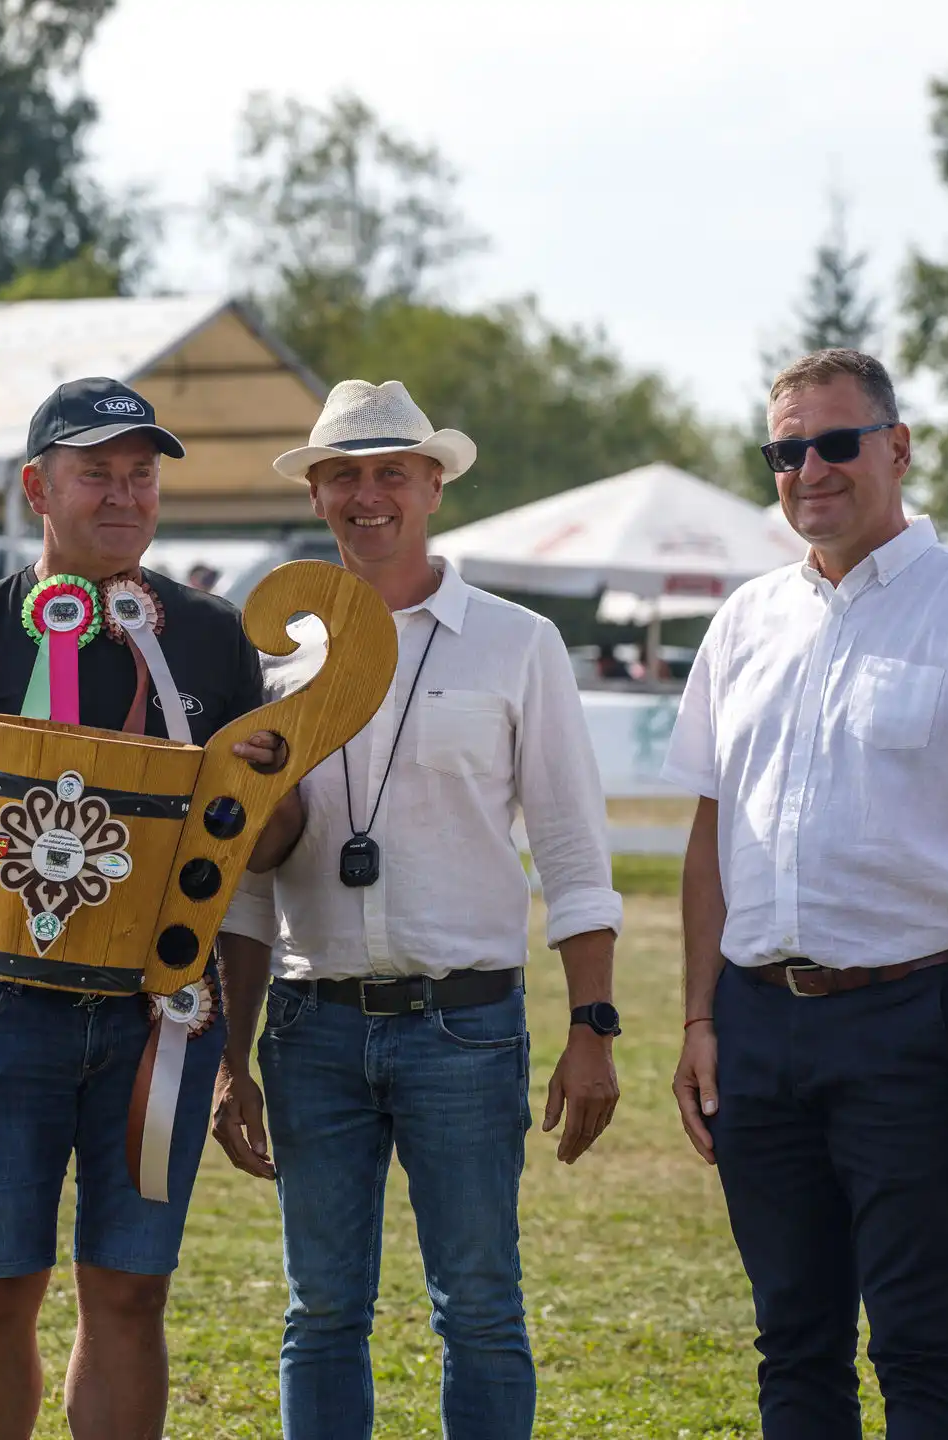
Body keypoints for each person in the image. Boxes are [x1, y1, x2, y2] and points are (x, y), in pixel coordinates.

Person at [0, 377, 293, 1440]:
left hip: (163, 1019)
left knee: (132, 1298)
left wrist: (275, 787)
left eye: (142, 475)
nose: (125, 495)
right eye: (96, 473)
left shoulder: (215, 638)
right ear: (37, 488)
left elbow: (269, 847)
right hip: (3, 1013)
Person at [666, 349, 948, 1439]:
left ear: (896, 448)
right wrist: (702, 1021)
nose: (809, 469)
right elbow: (712, 840)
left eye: (834, 442)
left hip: (913, 1021)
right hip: (756, 1025)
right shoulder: (744, 620)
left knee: (917, 1338)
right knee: (792, 1342)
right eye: (785, 451)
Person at [212, 380, 624, 1440]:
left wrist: (593, 1026)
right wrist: (230, 1056)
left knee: (480, 1311)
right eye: (343, 476)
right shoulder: (274, 667)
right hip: (311, 1027)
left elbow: (574, 851)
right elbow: (244, 880)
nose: (368, 496)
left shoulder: (517, 642)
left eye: (391, 472)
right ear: (315, 495)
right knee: (319, 1313)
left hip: (466, 1026)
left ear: (434, 485)